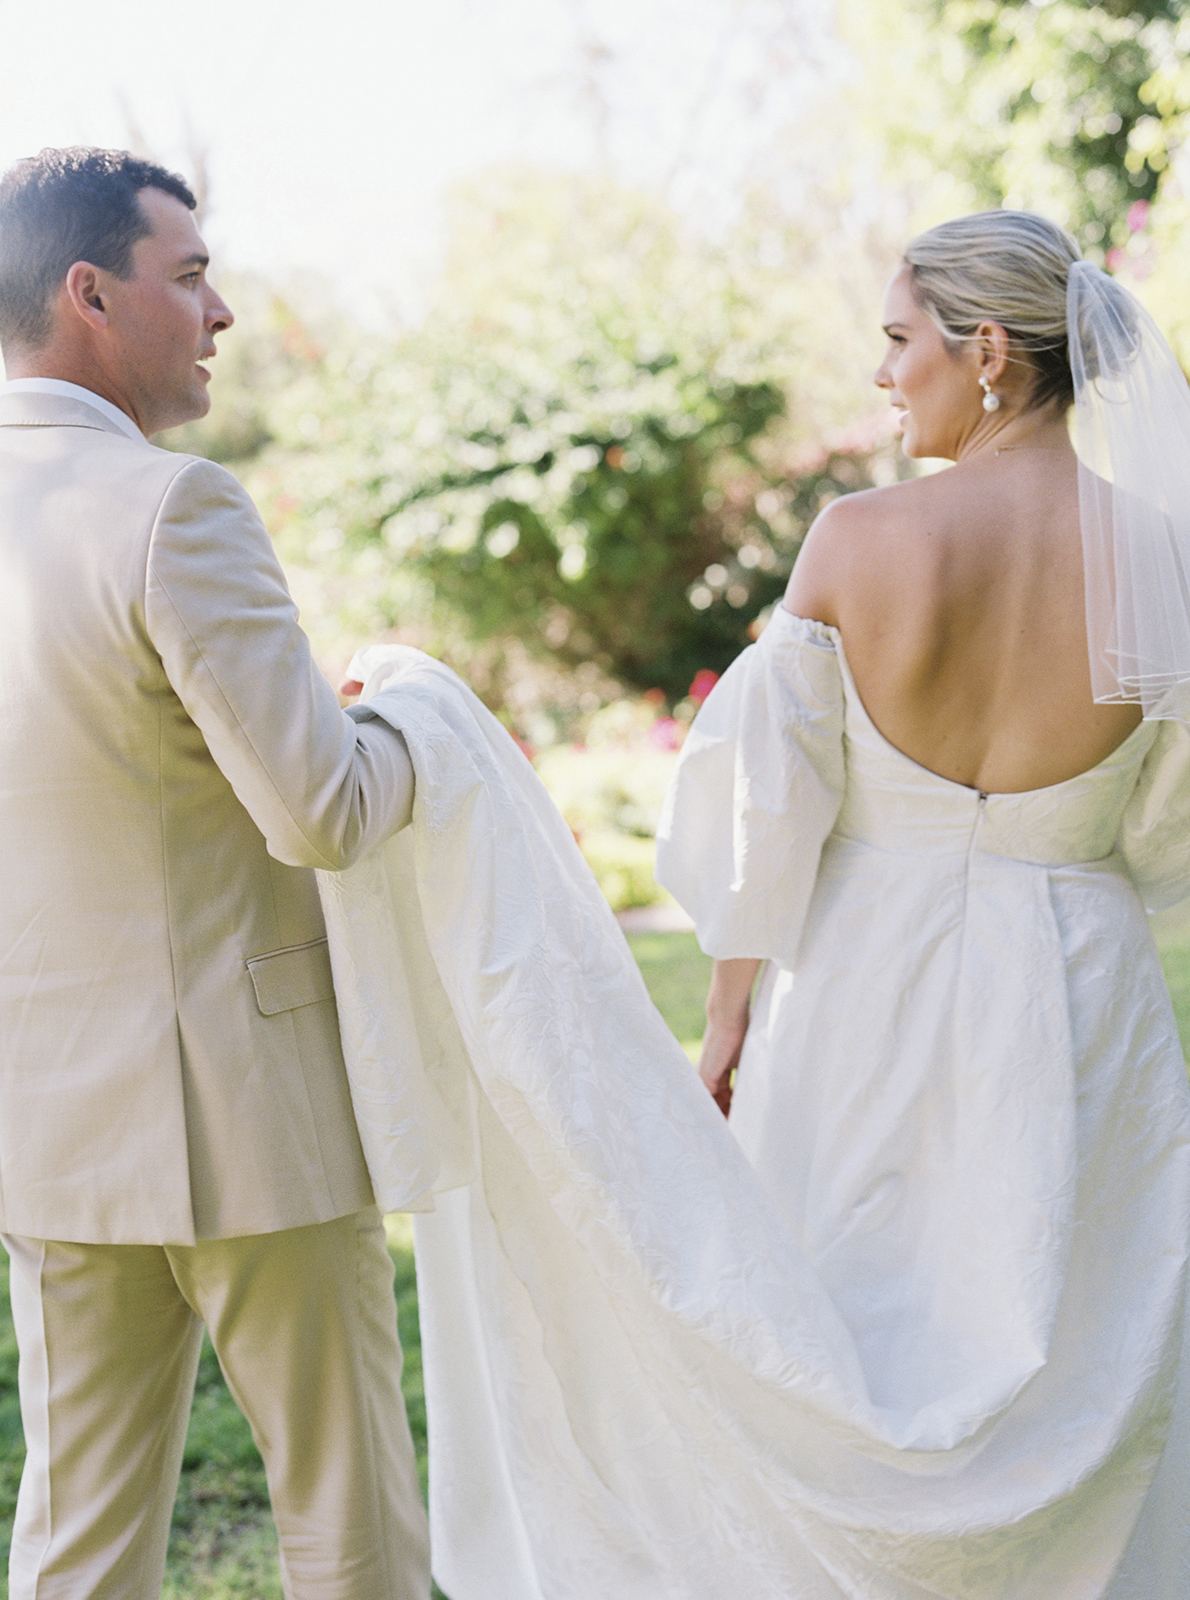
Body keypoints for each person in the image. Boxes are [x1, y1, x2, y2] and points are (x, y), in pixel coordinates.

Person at [316, 210, 1190, 1598]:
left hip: (859, 993)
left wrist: (724, 1024)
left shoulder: (856, 540)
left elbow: (760, 820)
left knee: (837, 1334)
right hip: (1081, 993)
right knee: (1076, 1342)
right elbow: (1161, 827)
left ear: (984, 355)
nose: (882, 376)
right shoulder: (1164, 560)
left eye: (896, 342)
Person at [0, 148, 430, 1599]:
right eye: (189, 277)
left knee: (78, 1534)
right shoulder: (173, 506)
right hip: (250, 1101)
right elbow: (322, 809)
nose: (222, 312)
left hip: (40, 1116)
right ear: (90, 295)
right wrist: (420, 724)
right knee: (344, 1511)